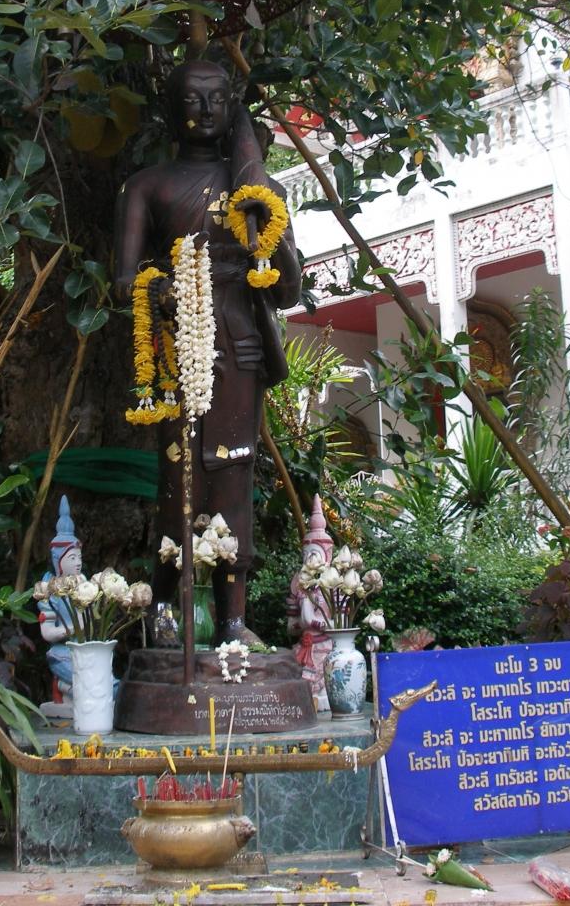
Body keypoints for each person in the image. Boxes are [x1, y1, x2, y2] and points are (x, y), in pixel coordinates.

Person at [114, 59, 301, 643]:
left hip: (238, 337)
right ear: (171, 109)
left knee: (234, 472)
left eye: (217, 98)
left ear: (232, 105)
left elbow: (289, 289)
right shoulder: (148, 186)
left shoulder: (255, 189)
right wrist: (160, 290)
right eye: (192, 99)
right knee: (180, 475)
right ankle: (163, 610)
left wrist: (267, 231)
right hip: (178, 341)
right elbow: (122, 280)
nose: (205, 110)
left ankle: (233, 620)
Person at [286, 494, 335, 712]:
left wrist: (316, 623)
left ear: (326, 555)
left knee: (328, 679)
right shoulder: (298, 583)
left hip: (326, 646)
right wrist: (302, 623)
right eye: (307, 555)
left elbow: (341, 627)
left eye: (314, 554)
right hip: (305, 647)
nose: (310, 560)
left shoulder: (334, 583)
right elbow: (290, 626)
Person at [37, 496, 82, 715]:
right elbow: (47, 632)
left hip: (85, 649)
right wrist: (70, 630)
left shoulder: (84, 584)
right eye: (72, 558)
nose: (78, 563)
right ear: (58, 560)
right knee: (84, 683)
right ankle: (64, 689)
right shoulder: (49, 589)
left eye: (79, 557)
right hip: (62, 651)